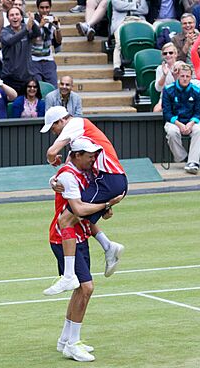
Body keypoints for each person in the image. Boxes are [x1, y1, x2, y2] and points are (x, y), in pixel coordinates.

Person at [47, 138, 123, 362]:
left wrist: (104, 209)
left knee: (80, 289)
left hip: (81, 236)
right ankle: (73, 344)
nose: (93, 158)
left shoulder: (87, 172)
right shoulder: (69, 176)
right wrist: (108, 204)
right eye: (89, 155)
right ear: (76, 155)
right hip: (63, 238)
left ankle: (65, 339)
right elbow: (79, 210)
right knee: (87, 288)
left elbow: (91, 210)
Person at [40, 106, 128, 294]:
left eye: (53, 128)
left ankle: (69, 276)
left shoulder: (76, 124)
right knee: (81, 215)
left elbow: (51, 151)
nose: (54, 132)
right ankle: (108, 246)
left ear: (61, 121)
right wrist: (54, 180)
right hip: (107, 179)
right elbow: (73, 171)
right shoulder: (80, 140)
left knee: (66, 219)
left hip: (109, 179)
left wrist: (52, 160)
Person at [162, 63, 200, 174]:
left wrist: (191, 123)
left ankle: (193, 163)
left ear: (191, 77)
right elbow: (167, 113)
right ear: (178, 76)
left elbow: (198, 112)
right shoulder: (168, 89)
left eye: (187, 76)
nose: (185, 79)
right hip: (174, 121)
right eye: (182, 76)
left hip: (192, 121)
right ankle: (184, 158)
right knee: (171, 132)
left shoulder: (196, 90)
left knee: (199, 130)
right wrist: (179, 124)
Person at [1, 7, 41, 95]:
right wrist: (26, 29)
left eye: (17, 14)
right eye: (11, 15)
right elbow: (10, 40)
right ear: (8, 19)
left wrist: (32, 22)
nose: (15, 17)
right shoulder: (4, 31)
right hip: (10, 78)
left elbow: (38, 33)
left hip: (27, 77)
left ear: (21, 17)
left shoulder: (26, 28)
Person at [110, 0, 149, 80]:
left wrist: (127, 6)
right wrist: (135, 5)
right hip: (122, 21)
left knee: (154, 31)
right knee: (119, 42)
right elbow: (118, 6)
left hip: (139, 20)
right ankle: (117, 67)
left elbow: (145, 10)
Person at [31, 0, 62, 87]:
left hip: (48, 59)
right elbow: (30, 39)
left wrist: (57, 28)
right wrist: (40, 25)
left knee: (53, 87)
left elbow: (58, 41)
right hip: (34, 60)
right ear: (38, 8)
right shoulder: (32, 20)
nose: (45, 10)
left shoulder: (53, 20)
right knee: (38, 87)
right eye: (42, 8)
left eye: (47, 7)